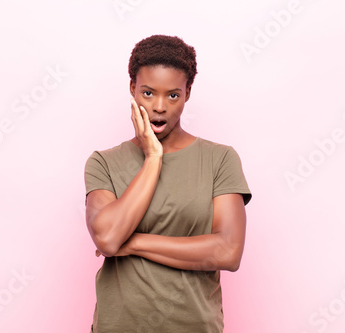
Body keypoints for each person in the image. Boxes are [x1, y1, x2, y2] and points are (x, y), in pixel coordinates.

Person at [84, 34, 252, 333]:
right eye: (148, 93)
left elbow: (227, 251)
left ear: (187, 93)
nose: (159, 106)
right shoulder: (103, 162)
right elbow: (108, 239)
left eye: (172, 95)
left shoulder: (220, 159)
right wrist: (152, 157)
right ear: (133, 89)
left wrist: (133, 242)